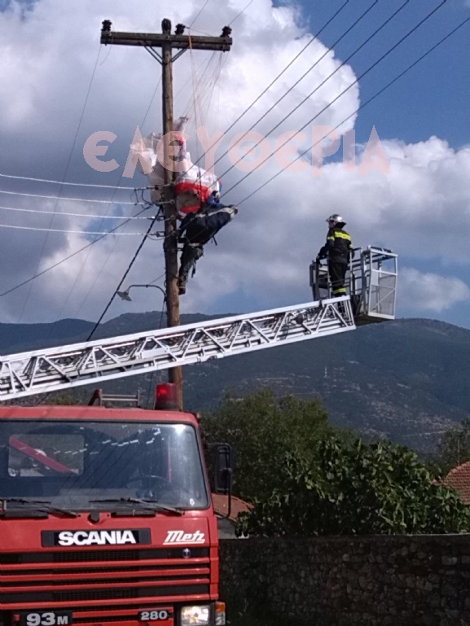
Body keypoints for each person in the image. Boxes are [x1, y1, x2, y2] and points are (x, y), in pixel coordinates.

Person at [177, 196, 238, 295]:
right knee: (187, 263)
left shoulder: (223, 209)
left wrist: (213, 195)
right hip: (200, 239)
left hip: (197, 233)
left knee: (190, 217)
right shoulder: (225, 218)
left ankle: (177, 234)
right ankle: (181, 284)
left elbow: (209, 202)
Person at [316, 214, 354, 297]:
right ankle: (343, 301)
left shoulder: (332, 231)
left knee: (336, 283)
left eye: (330, 222)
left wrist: (320, 255)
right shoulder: (347, 235)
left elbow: (330, 244)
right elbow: (351, 251)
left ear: (334, 222)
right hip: (344, 262)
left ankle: (341, 303)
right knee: (341, 282)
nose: (329, 224)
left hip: (335, 260)